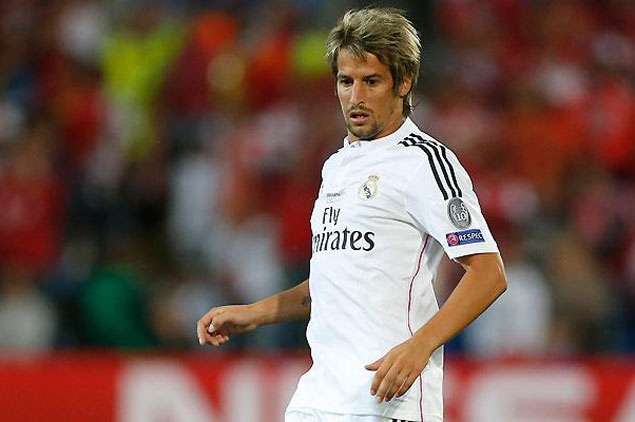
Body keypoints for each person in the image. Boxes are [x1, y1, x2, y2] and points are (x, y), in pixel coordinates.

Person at [197, 8, 507, 422]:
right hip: (319, 397)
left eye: (371, 81)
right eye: (346, 81)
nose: (355, 96)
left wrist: (420, 346)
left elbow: (488, 273)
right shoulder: (336, 167)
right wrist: (252, 313)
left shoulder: (425, 163)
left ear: (404, 82)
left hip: (386, 400)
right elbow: (335, 280)